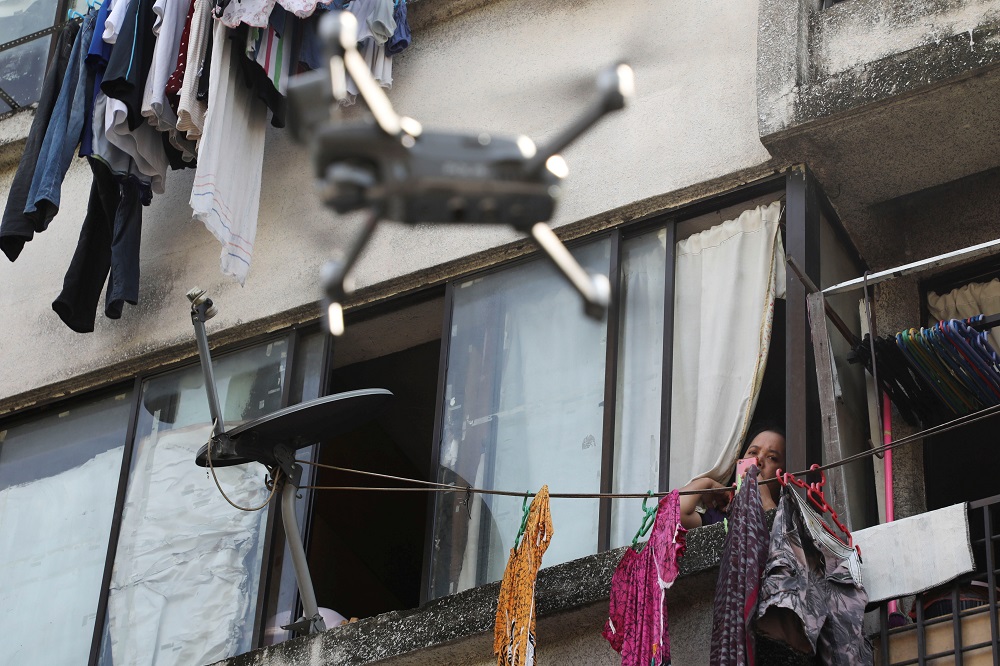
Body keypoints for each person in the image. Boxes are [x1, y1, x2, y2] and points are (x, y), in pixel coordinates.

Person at [679, 423, 786, 529]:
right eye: (753, 452)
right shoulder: (721, 518)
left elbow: (782, 537)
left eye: (772, 457)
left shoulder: (790, 519)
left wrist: (766, 502)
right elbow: (675, 513)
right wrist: (707, 483)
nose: (758, 460)